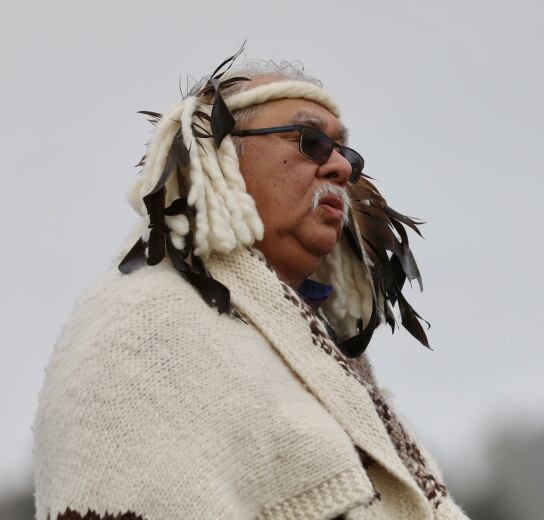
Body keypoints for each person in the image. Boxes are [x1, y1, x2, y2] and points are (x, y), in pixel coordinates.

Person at [33, 50, 469, 520]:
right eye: (310, 142)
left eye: (345, 151)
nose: (341, 168)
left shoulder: (327, 355)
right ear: (219, 155)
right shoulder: (138, 327)